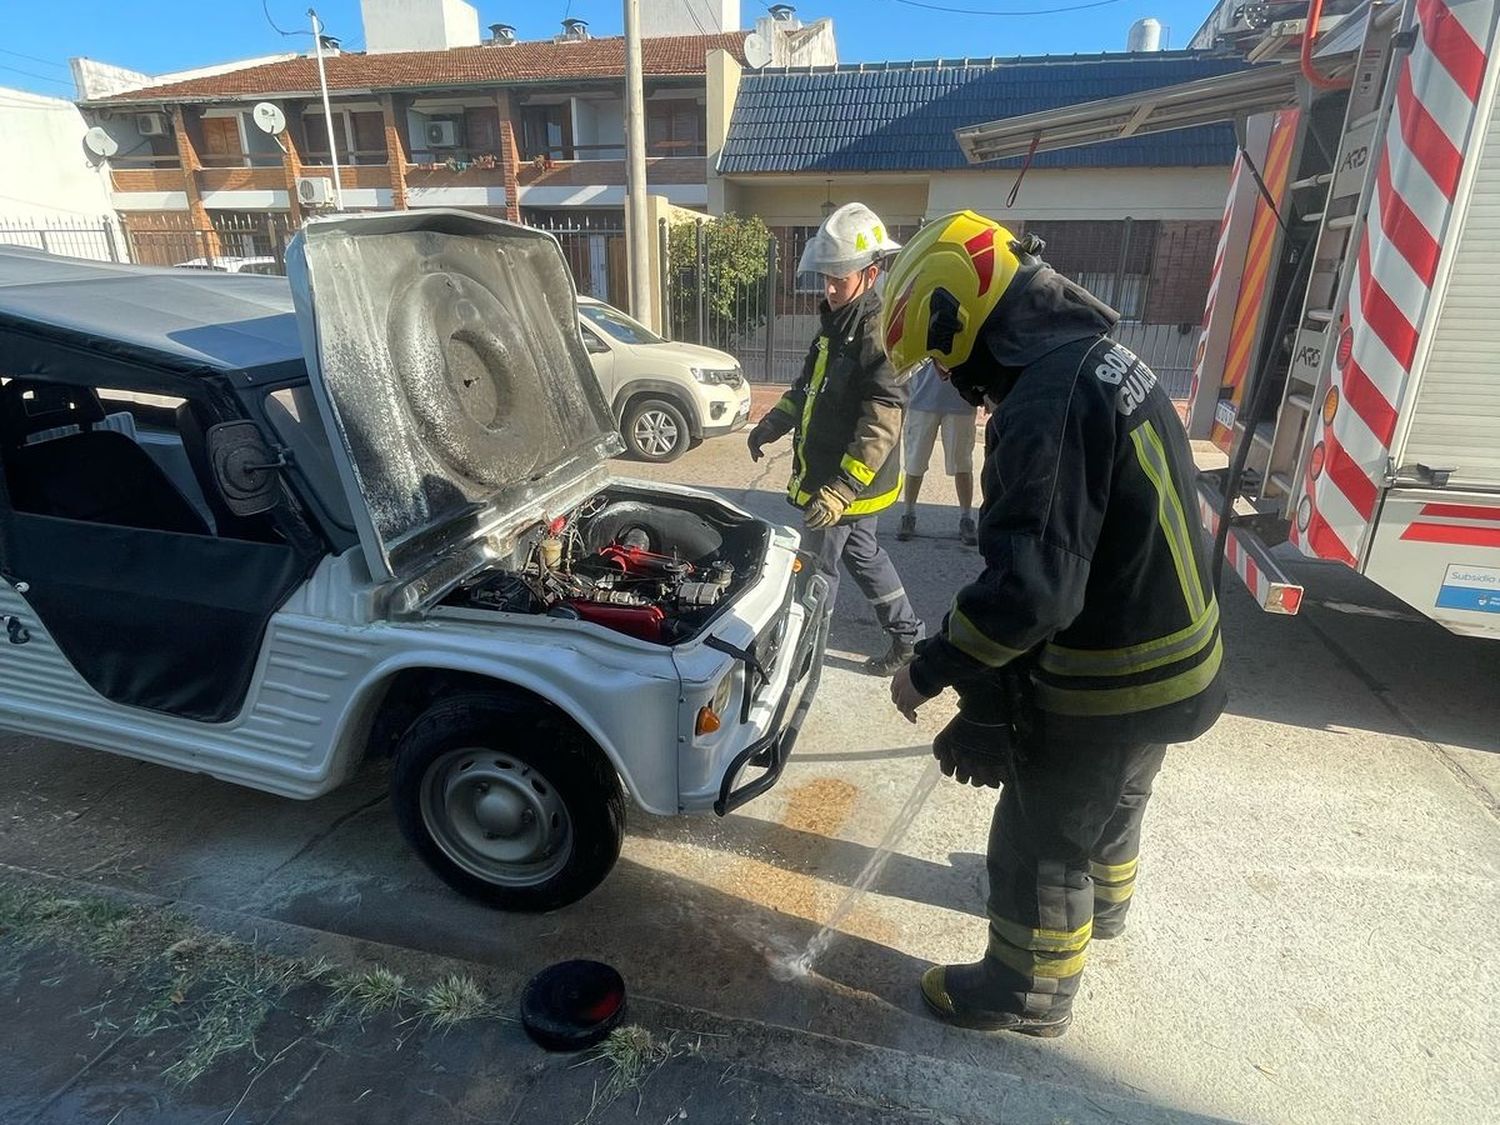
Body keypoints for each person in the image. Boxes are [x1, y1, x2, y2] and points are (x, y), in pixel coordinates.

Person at [880, 211, 1226, 1037]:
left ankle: (1025, 990)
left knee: (1039, 840)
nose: (949, 375)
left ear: (960, 319)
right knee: (1115, 799)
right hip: (1175, 657)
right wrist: (992, 692)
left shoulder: (1045, 401)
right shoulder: (1099, 357)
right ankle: (1102, 909)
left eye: (938, 351)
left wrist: (931, 670)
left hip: (1113, 677)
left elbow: (1029, 592)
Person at [746, 202, 923, 676]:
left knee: (816, 570)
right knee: (864, 554)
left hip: (844, 481)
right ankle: (908, 636)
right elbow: (807, 388)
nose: (828, 288)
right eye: (825, 276)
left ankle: (801, 658)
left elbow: (882, 419)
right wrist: (772, 423)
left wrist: (841, 489)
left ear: (870, 272)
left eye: (838, 279)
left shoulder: (876, 332)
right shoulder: (835, 324)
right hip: (841, 477)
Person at [897, 359, 980, 545]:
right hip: (921, 399)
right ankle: (908, 514)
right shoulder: (919, 327)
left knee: (963, 464)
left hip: (962, 401)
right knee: (915, 463)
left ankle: (966, 518)